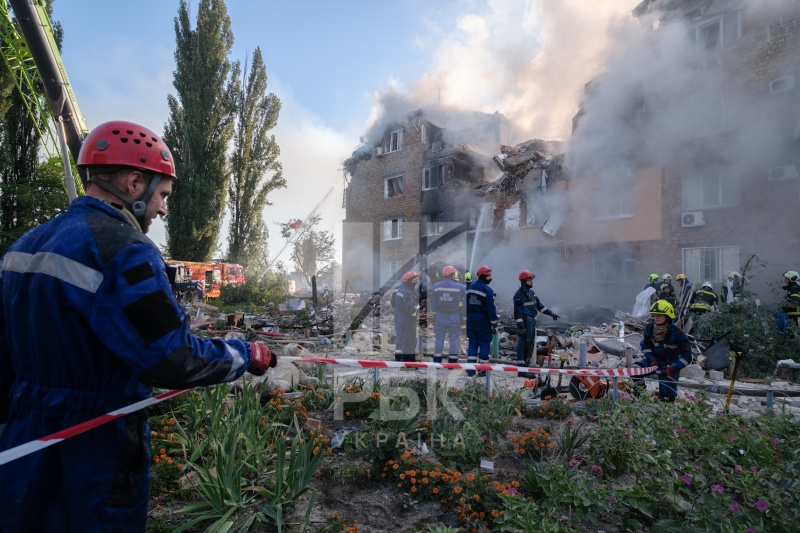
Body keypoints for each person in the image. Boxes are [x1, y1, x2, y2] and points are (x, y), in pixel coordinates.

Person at [0, 121, 276, 532]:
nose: (163, 209)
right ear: (134, 183)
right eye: (163, 195)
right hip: (95, 443)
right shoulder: (124, 250)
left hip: (25, 435)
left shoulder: (24, 245)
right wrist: (244, 354)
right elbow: (171, 357)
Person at [632, 301, 692, 402]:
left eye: (659, 315)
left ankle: (665, 406)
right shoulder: (649, 328)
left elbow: (688, 357)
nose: (656, 318)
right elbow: (645, 346)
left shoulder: (678, 333)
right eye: (655, 315)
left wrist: (673, 367)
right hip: (653, 362)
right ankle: (640, 397)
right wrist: (651, 359)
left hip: (669, 367)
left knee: (667, 399)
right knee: (635, 369)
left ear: (667, 316)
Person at [513, 270, 559, 369]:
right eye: (529, 280)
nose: (532, 282)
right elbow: (517, 312)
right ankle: (521, 366)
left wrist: (550, 313)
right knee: (525, 342)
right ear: (524, 281)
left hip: (531, 320)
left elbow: (539, 305)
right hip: (526, 320)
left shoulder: (531, 293)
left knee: (530, 343)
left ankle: (526, 365)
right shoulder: (519, 295)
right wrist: (520, 327)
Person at [466, 265, 498, 377]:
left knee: (473, 343)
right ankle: (482, 370)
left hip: (471, 318)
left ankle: (470, 369)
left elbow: (465, 304)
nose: (490, 278)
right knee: (484, 343)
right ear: (483, 276)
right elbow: (491, 308)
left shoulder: (469, 288)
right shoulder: (488, 290)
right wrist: (494, 323)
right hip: (483, 319)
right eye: (489, 276)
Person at [430, 266, 465, 364]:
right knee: (453, 338)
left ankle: (437, 361)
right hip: (454, 315)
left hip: (440, 315)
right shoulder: (460, 287)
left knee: (439, 338)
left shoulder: (436, 286)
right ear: (453, 275)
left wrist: (435, 315)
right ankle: (452, 362)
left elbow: (433, 302)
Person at [392, 271, 420, 362]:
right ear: (408, 281)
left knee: (400, 336)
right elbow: (409, 307)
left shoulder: (399, 289)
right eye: (414, 280)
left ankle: (398, 356)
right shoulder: (407, 292)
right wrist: (415, 311)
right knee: (410, 339)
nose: (415, 282)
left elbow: (393, 302)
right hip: (407, 317)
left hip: (399, 315)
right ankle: (409, 361)